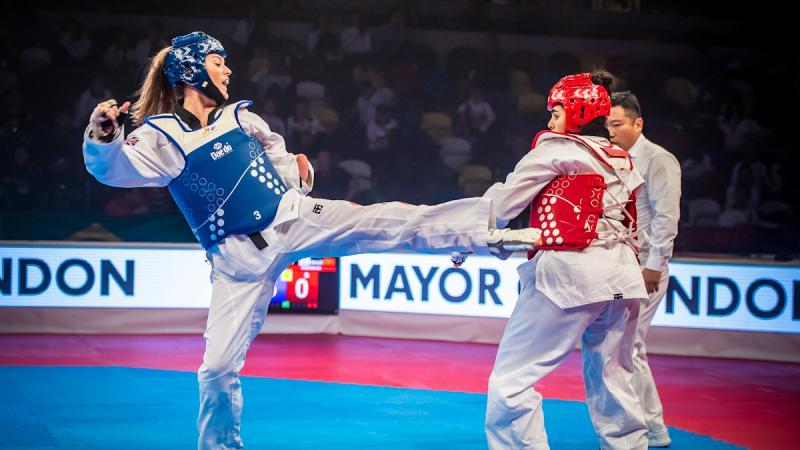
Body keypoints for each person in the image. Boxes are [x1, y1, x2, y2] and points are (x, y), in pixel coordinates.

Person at [81, 31, 540, 450]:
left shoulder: (244, 118)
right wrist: (103, 137)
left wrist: (298, 179)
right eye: (219, 62)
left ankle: (486, 231)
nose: (228, 70)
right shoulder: (160, 137)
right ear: (193, 70)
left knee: (390, 220)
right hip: (236, 263)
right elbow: (113, 169)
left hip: (292, 218)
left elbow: (282, 165)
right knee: (217, 370)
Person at [482, 72, 650, 450]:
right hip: (623, 279)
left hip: (569, 275)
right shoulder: (621, 157)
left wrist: (456, 230)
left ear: (576, 113)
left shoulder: (555, 149)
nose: (549, 121)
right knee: (615, 376)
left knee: (512, 380)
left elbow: (501, 206)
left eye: (556, 111)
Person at [608, 91, 681, 448]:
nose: (611, 130)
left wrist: (655, 266)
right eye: (607, 123)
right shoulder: (612, 158)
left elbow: (667, 218)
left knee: (630, 344)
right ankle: (645, 426)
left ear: (639, 124)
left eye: (617, 123)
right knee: (622, 343)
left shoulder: (658, 160)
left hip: (646, 268)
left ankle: (653, 429)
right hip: (620, 265)